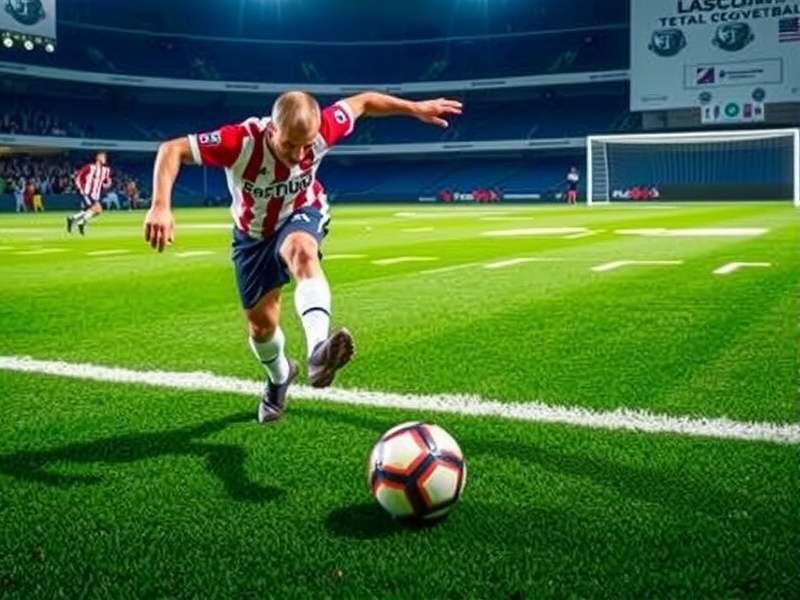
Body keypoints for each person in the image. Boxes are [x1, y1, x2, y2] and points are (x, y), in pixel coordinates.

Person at [144, 90, 462, 424]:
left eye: (306, 145)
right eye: (289, 145)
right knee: (261, 328)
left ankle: (317, 351)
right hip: (252, 235)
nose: (298, 155)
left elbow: (364, 102)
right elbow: (172, 149)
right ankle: (280, 377)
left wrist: (414, 109)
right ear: (272, 132)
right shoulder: (239, 142)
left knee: (302, 250)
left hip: (302, 211)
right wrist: (161, 205)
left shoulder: (324, 127)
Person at [67, 151, 112, 235]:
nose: (105, 159)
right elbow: (79, 177)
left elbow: (106, 182)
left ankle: (73, 219)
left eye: (105, 157)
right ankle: (80, 222)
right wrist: (81, 189)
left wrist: (107, 184)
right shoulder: (89, 167)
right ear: (97, 158)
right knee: (97, 209)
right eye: (103, 157)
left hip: (96, 195)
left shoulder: (106, 170)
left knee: (94, 211)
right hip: (87, 193)